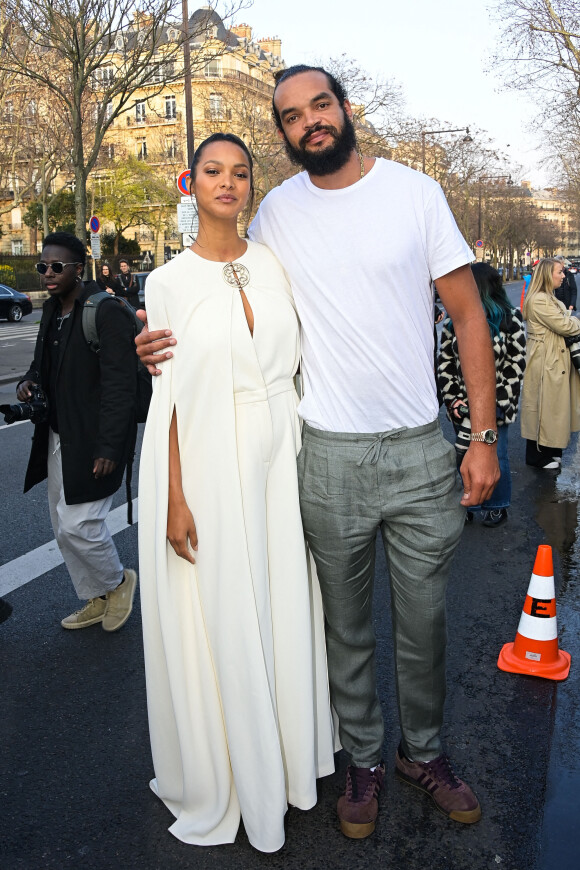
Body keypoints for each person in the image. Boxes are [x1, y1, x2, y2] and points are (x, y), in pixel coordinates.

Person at [136, 66, 499, 838]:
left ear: (344, 108)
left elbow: (470, 318)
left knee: (426, 620)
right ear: (284, 133)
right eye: (293, 116)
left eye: (321, 106)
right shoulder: (274, 215)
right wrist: (159, 344)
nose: (311, 123)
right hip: (324, 452)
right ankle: (363, 760)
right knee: (342, 627)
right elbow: (226, 293)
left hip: (416, 451)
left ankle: (423, 754)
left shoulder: (414, 193)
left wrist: (482, 436)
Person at [138, 133, 335, 853]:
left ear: (253, 184)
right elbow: (170, 405)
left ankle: (289, 759)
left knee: (285, 600)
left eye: (240, 172)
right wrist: (174, 498)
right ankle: (239, 772)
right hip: (212, 459)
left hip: (285, 450)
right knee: (228, 609)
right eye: (213, 172)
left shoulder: (277, 264)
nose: (228, 182)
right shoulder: (166, 282)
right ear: (193, 184)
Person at [17, 232, 138, 631]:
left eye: (57, 267)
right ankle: (97, 595)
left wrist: (109, 446)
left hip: (95, 439)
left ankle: (119, 581)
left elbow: (122, 385)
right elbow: (42, 364)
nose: (47, 274)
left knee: (79, 524)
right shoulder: (52, 310)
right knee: (61, 525)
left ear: (78, 269)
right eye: (42, 267)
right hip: (59, 435)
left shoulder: (104, 312)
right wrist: (30, 380)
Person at [438, 263, 526, 526]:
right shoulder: (453, 323)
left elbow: (516, 365)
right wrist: (453, 399)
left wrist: (498, 403)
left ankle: (496, 504)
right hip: (462, 407)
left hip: (496, 407)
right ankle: (466, 502)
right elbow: (445, 364)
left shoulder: (511, 318)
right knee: (463, 453)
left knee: (496, 454)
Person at [521, 257, 580, 469]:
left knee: (553, 406)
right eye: (560, 272)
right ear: (548, 275)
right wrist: (574, 321)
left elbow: (564, 321)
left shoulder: (547, 297)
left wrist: (570, 320)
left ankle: (550, 450)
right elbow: (565, 324)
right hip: (545, 358)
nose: (564, 276)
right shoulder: (539, 299)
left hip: (551, 356)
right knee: (543, 405)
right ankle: (538, 456)